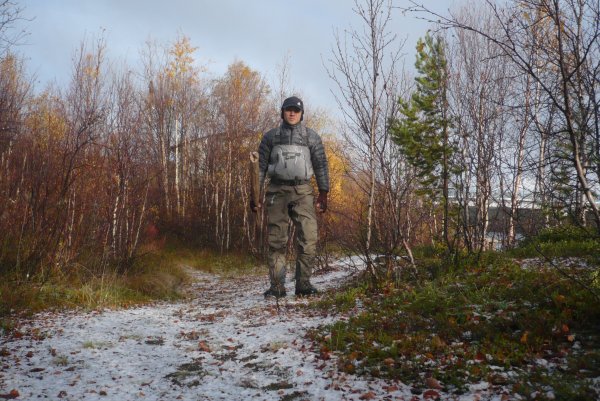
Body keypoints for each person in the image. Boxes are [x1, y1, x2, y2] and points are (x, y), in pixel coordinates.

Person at [251, 96, 329, 298]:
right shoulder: (270, 137)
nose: (292, 113)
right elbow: (259, 168)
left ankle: (303, 284)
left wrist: (324, 193)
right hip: (277, 190)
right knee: (277, 240)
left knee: (308, 238)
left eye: (296, 110)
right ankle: (277, 286)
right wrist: (255, 195)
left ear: (302, 113)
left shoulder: (312, 137)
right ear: (282, 112)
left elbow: (320, 165)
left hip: (303, 191)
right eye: (289, 110)